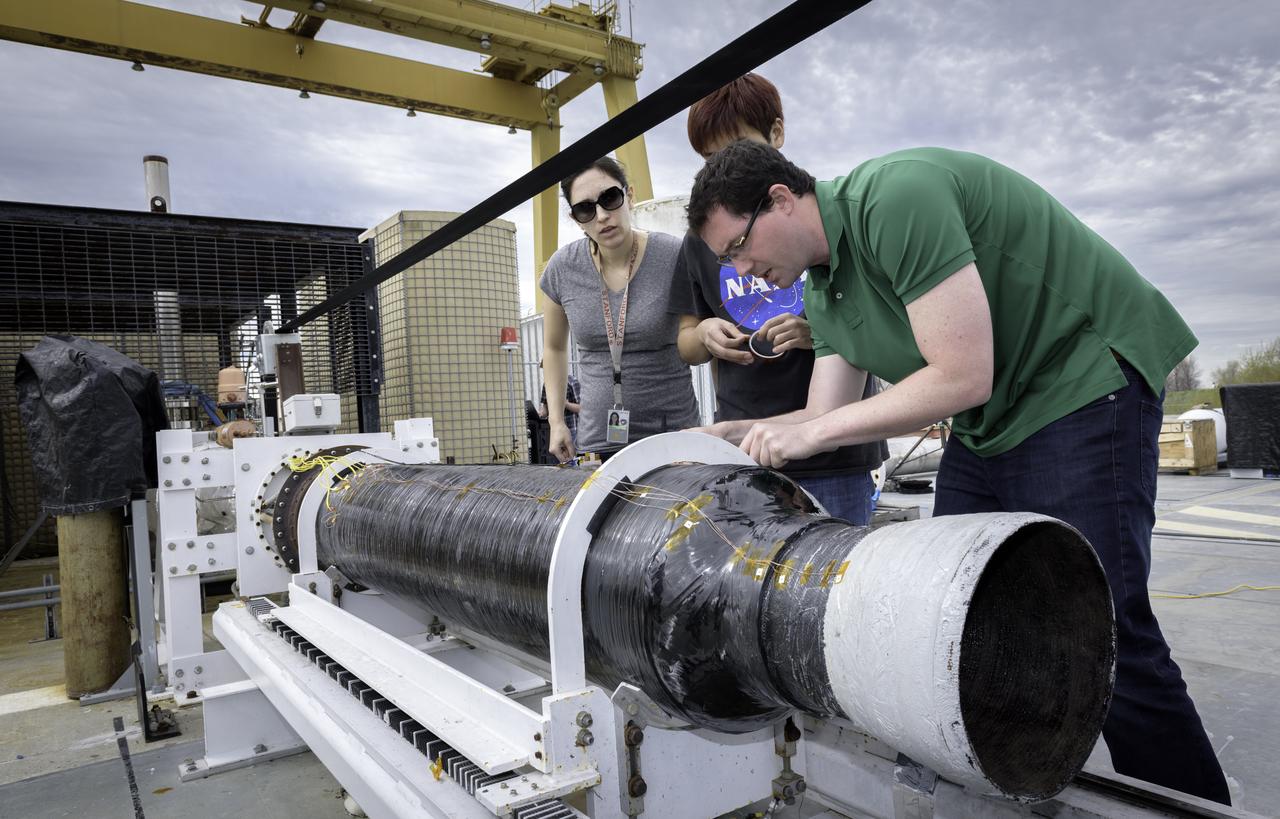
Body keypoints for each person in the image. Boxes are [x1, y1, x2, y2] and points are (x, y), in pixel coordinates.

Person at [685, 140, 1230, 805]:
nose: (740, 268)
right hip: (993, 420)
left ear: (779, 199)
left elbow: (963, 373)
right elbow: (820, 415)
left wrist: (814, 429)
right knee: (956, 616)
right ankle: (1017, 781)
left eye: (738, 246)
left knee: (1107, 635)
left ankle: (1192, 800)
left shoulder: (894, 198)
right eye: (725, 261)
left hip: (1082, 380)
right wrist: (728, 436)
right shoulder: (823, 293)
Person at [673, 73, 886, 524]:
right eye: (710, 158)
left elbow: (870, 329)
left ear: (776, 134)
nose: (720, 171)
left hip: (835, 451)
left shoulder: (821, 224)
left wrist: (818, 333)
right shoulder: (698, 242)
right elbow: (685, 338)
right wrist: (706, 332)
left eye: (734, 149)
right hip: (747, 446)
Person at [540, 156, 699, 462]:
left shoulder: (674, 255)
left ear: (630, 195)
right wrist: (556, 422)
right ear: (576, 219)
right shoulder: (562, 268)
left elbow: (698, 335)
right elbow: (554, 348)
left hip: (674, 437)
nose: (601, 216)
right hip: (599, 441)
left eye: (610, 198)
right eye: (585, 209)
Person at [537, 359, 580, 445]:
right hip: (555, 432)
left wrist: (565, 404)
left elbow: (582, 408)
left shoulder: (572, 382)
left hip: (573, 430)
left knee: (573, 457)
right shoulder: (546, 385)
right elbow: (545, 410)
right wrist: (539, 414)